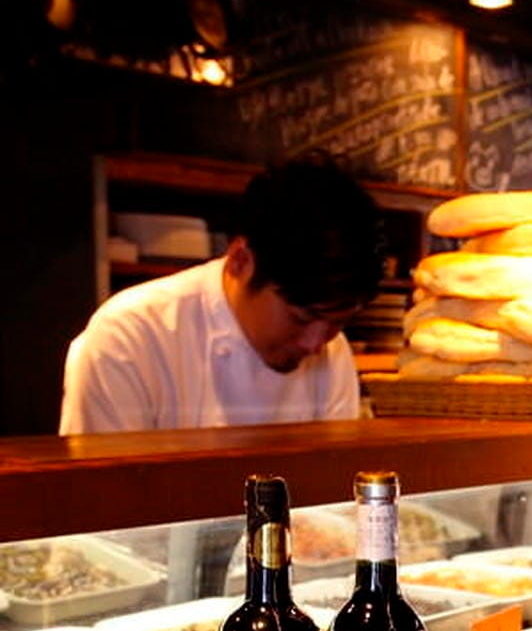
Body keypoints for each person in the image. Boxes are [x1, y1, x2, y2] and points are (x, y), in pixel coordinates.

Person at [59, 155, 385, 434]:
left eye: (337, 323)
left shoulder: (333, 354)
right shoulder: (128, 341)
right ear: (240, 261)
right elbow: (99, 486)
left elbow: (333, 482)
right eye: (300, 318)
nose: (314, 344)